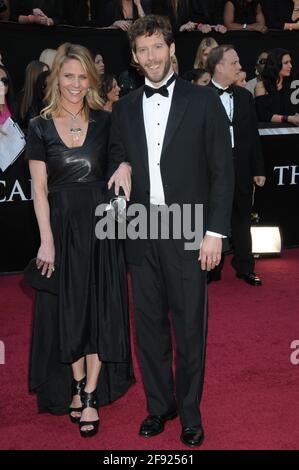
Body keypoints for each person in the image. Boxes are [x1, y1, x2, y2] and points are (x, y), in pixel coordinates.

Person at [108, 15, 234, 447]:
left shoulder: (203, 102)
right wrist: (120, 164)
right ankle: (159, 406)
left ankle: (191, 413)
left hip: (187, 228)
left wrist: (215, 231)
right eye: (142, 50)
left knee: (189, 328)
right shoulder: (123, 107)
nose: (151, 57)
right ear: (135, 57)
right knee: (149, 328)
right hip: (142, 228)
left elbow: (222, 172)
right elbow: (116, 154)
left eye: (157, 47)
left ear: (171, 49)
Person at [25, 42, 135, 438]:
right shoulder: (38, 126)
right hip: (60, 228)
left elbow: (125, 158)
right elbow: (39, 189)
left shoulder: (107, 120)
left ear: (92, 78)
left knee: (99, 309)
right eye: (67, 75)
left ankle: (90, 394)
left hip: (101, 228)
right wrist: (46, 241)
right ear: (57, 78)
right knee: (68, 311)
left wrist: (124, 163)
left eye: (81, 76)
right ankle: (74, 384)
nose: (75, 83)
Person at [207, 45, 265, 285]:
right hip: (212, 171)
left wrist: (259, 169)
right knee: (212, 219)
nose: (240, 67)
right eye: (234, 63)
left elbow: (253, 135)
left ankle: (245, 266)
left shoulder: (244, 96)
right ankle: (211, 267)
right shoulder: (200, 96)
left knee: (242, 219)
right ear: (219, 67)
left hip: (241, 168)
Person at [255, 48, 299, 126]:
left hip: (291, 133)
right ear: (275, 64)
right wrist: (288, 118)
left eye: (290, 62)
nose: (290, 66)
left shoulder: (291, 85)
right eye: (286, 63)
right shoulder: (261, 86)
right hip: (270, 134)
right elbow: (263, 115)